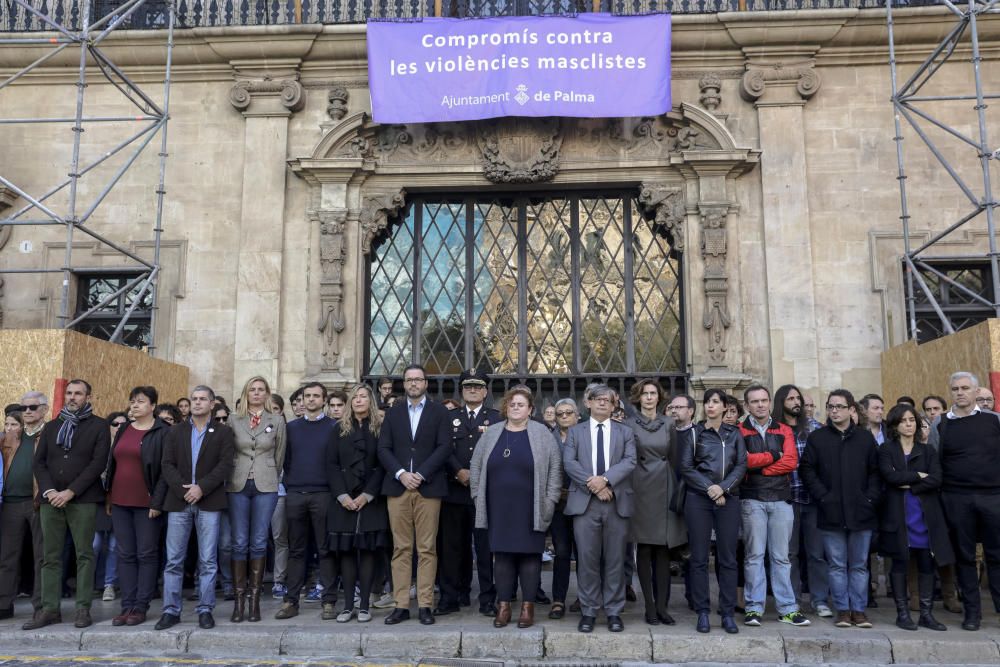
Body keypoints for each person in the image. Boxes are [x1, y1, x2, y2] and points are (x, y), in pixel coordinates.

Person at [468, 386, 561, 629]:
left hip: (531, 506)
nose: (516, 407)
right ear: (506, 408)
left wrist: (549, 502)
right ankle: (504, 606)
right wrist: (478, 496)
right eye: (512, 404)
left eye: (521, 404)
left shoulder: (542, 434)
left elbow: (555, 472)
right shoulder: (491, 433)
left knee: (530, 556)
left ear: (530, 409)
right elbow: (476, 466)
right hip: (498, 507)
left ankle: (528, 607)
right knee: (502, 556)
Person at [26, 380, 110, 631]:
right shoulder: (52, 427)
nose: (72, 397)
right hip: (51, 500)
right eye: (69, 393)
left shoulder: (99, 426)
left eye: (78, 393)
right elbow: (39, 463)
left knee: (84, 554)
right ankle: (49, 609)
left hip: (82, 499)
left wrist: (70, 492)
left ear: (88, 396)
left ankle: (83, 608)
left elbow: (98, 464)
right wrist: (51, 491)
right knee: (49, 556)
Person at [799, 389, 881, 629]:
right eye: (830, 406)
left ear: (851, 410)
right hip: (830, 511)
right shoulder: (818, 438)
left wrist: (869, 499)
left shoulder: (865, 439)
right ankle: (843, 610)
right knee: (835, 564)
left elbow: (876, 473)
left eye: (839, 406)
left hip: (861, 512)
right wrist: (823, 497)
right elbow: (807, 470)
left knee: (858, 564)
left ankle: (859, 610)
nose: (834, 411)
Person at [156, 386, 235, 631]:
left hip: (208, 501)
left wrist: (201, 488)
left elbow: (225, 465)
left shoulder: (223, 432)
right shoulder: (176, 431)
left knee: (208, 560)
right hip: (179, 502)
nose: (197, 403)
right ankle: (171, 611)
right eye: (194, 399)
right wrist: (184, 491)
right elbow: (166, 464)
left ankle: (205, 609)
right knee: (174, 560)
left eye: (203, 399)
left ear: (212, 404)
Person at [377, 364, 451, 626]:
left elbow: (444, 447)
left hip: (428, 487)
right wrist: (400, 473)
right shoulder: (393, 413)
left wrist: (420, 473)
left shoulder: (439, 412)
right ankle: (400, 605)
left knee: (427, 548)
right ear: (404, 384)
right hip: (398, 488)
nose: (413, 384)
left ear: (426, 383)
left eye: (418, 379)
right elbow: (383, 448)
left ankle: (425, 604)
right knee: (401, 548)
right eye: (409, 380)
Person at [563, 384, 637, 634]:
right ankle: (589, 611)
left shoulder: (625, 432)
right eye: (598, 399)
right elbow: (569, 462)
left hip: (615, 502)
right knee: (587, 561)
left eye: (608, 400)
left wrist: (605, 480)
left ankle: (614, 611)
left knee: (615, 560)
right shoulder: (575, 432)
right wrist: (593, 484)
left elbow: (630, 461)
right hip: (585, 503)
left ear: (614, 405)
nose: (603, 403)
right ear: (588, 403)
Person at [878, 403, 954, 632]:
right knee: (900, 564)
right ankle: (902, 614)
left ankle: (926, 614)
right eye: (904, 421)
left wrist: (909, 483)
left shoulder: (928, 451)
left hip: (924, 515)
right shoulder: (886, 450)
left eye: (912, 420)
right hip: (898, 514)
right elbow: (889, 477)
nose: (909, 425)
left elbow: (937, 479)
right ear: (895, 425)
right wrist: (919, 476)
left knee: (926, 564)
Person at [738, 385, 809, 627]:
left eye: (763, 400)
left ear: (770, 402)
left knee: (781, 557)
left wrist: (761, 467)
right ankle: (754, 608)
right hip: (752, 499)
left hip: (781, 499)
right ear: (747, 405)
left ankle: (787, 609)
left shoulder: (784, 429)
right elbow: (742, 461)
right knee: (754, 556)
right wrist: (773, 456)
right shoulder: (739, 430)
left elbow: (790, 462)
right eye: (754, 401)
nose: (759, 405)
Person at [935, 371, 1000, 631]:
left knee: (997, 556)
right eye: (955, 389)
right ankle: (972, 613)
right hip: (956, 499)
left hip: (993, 497)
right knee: (964, 557)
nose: (960, 392)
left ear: (976, 392)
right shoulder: (941, 425)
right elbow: (934, 462)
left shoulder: (995, 421)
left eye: (964, 388)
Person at [680, 388, 747, 635]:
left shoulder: (734, 435)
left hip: (728, 499)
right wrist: (710, 488)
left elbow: (741, 465)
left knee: (728, 557)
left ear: (724, 407)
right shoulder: (694, 434)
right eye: (707, 402)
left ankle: (728, 612)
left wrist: (723, 488)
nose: (710, 406)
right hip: (699, 498)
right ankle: (703, 612)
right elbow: (686, 468)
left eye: (716, 402)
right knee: (698, 558)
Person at [103, 386, 170, 627]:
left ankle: (141, 606)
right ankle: (127, 605)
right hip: (120, 501)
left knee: (146, 554)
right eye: (132, 401)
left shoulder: (162, 431)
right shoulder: (123, 429)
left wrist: (157, 501)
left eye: (140, 401)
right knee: (125, 554)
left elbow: (165, 470)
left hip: (147, 503)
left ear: (153, 406)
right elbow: (113, 463)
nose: (135, 405)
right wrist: (109, 495)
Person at [436, 369, 500, 617]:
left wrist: (476, 474)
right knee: (451, 547)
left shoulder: (494, 418)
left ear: (485, 391)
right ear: (462, 391)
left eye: (477, 386)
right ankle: (450, 596)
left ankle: (487, 599)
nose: (472, 390)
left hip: (483, 492)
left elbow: (496, 451)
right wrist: (457, 471)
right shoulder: (448, 416)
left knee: (485, 548)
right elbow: (442, 447)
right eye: (468, 387)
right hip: (454, 490)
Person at [275, 382, 338, 621]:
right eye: (306, 396)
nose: (310, 400)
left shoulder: (334, 427)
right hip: (296, 494)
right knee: (296, 550)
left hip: (323, 494)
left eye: (315, 396)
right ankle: (291, 601)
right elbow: (285, 460)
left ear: (323, 400)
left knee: (325, 549)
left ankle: (329, 601)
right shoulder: (291, 428)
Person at [326, 384, 389, 623]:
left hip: (371, 499)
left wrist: (368, 495)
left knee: (368, 551)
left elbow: (383, 464)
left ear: (370, 401)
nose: (359, 400)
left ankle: (364, 606)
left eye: (363, 396)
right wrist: (342, 496)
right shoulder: (337, 430)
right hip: (343, 500)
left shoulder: (381, 429)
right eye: (355, 397)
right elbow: (331, 464)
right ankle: (347, 606)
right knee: (347, 553)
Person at [227, 376, 286, 623]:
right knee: (239, 541)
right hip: (238, 483)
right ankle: (239, 601)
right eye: (252, 389)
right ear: (245, 392)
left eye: (261, 390)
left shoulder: (277, 420)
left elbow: (280, 454)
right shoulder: (233, 419)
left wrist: (270, 474)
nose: (257, 393)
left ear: (267, 394)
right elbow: (228, 451)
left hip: (266, 484)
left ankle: (254, 601)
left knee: (260, 541)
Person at [626, 379, 683, 626]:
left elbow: (675, 459)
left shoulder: (670, 424)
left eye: (653, 393)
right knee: (645, 549)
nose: (649, 397)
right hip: (640, 488)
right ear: (638, 398)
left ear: (659, 398)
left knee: (662, 550)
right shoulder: (628, 425)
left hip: (664, 486)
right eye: (645, 393)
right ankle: (649, 606)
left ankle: (662, 607)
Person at [773, 384, 830, 618]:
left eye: (798, 398)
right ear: (781, 403)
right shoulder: (775, 430)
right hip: (786, 499)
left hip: (812, 499)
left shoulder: (816, 429)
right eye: (791, 399)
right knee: (789, 554)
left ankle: (819, 599)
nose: (796, 402)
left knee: (817, 553)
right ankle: (793, 600)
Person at [0, 392, 47, 620]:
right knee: (7, 556)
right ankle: (4, 604)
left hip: (37, 502)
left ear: (44, 410)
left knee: (42, 556)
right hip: (11, 502)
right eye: (24, 407)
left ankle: (41, 605)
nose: (27, 411)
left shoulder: (49, 435)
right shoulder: (10, 437)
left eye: (32, 407)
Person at [548, 397, 579, 620]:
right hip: (558, 504)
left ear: (577, 415)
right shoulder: (548, 438)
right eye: (561, 413)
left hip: (582, 502)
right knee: (561, 552)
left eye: (569, 412)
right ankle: (558, 599)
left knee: (585, 553)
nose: (565, 416)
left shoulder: (586, 435)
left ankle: (585, 597)